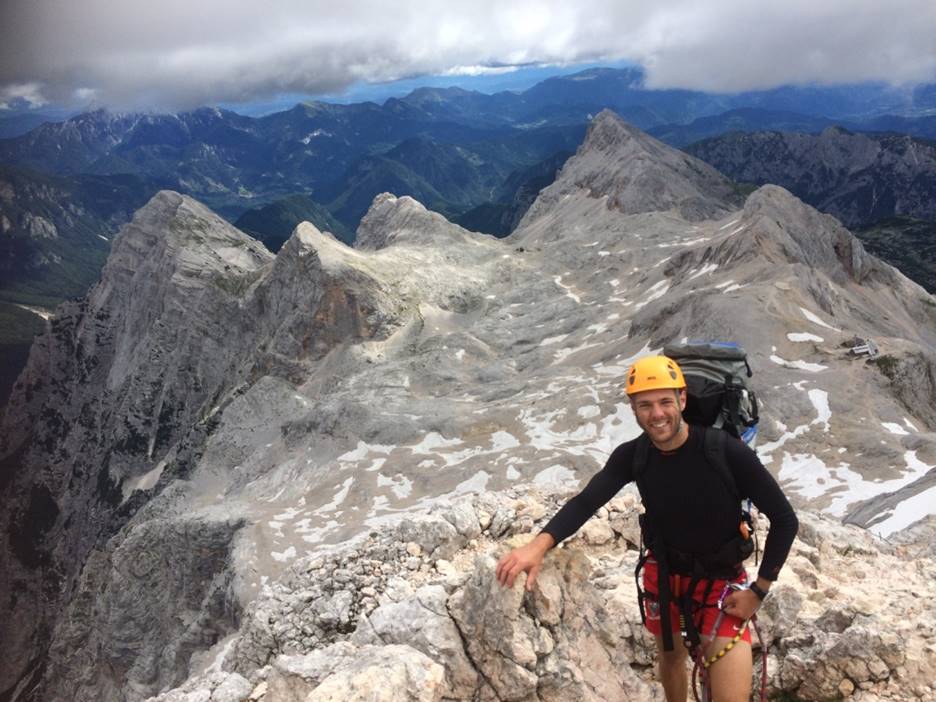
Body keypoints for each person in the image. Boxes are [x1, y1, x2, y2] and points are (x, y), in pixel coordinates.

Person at [495, 355, 798, 702]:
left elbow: (785, 519)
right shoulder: (634, 455)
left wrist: (758, 592)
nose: (657, 414)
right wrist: (538, 545)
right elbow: (586, 502)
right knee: (670, 660)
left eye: (666, 402)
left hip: (721, 585)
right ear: (633, 409)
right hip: (665, 579)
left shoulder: (723, 451)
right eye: (645, 405)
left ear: (682, 400)